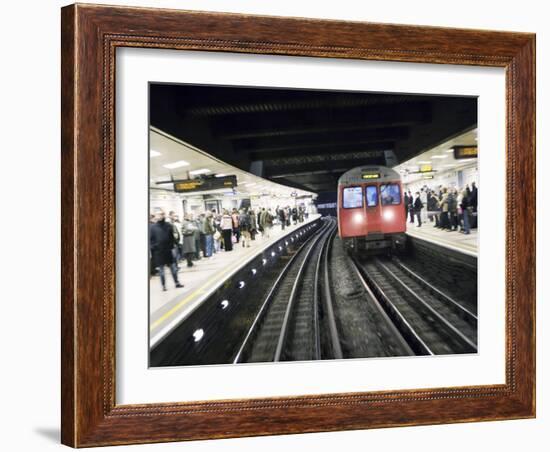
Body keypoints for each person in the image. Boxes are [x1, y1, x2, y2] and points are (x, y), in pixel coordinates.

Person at [149, 210, 183, 291]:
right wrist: (154, 247)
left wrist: (174, 245)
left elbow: (172, 237)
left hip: (168, 251)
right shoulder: (152, 227)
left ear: (164, 215)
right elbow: (150, 239)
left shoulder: (168, 225)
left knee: (173, 268)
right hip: (159, 252)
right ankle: (163, 286)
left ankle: (177, 282)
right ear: (156, 216)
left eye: (161, 214)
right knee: (161, 270)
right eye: (158, 215)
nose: (160, 216)